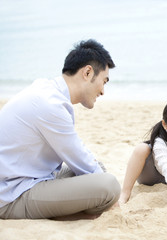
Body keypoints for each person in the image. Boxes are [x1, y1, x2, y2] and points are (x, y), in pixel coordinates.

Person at [0, 39, 121, 220]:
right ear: (87, 72)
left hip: (32, 178)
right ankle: (73, 216)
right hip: (12, 194)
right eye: (104, 81)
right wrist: (114, 201)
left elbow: (84, 162)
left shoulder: (46, 90)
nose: (103, 91)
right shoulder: (50, 104)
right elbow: (79, 158)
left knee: (99, 169)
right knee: (108, 185)